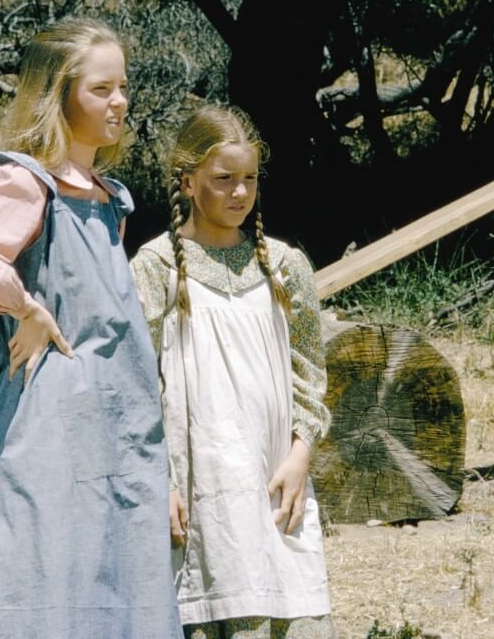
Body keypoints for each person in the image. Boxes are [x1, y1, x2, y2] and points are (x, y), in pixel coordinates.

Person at [0, 17, 180, 638]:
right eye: (100, 89)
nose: (119, 101)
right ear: (59, 95)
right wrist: (23, 305)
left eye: (122, 86)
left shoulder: (106, 197)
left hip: (116, 413)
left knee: (108, 560)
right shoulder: (26, 182)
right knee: (37, 560)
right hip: (46, 420)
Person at [130, 105, 335, 639]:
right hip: (199, 482)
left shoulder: (285, 265)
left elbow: (309, 373)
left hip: (274, 475)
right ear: (188, 181)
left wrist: (300, 454)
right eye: (223, 180)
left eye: (249, 178)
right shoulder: (155, 268)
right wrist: (160, 481)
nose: (239, 193)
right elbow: (136, 382)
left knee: (294, 602)